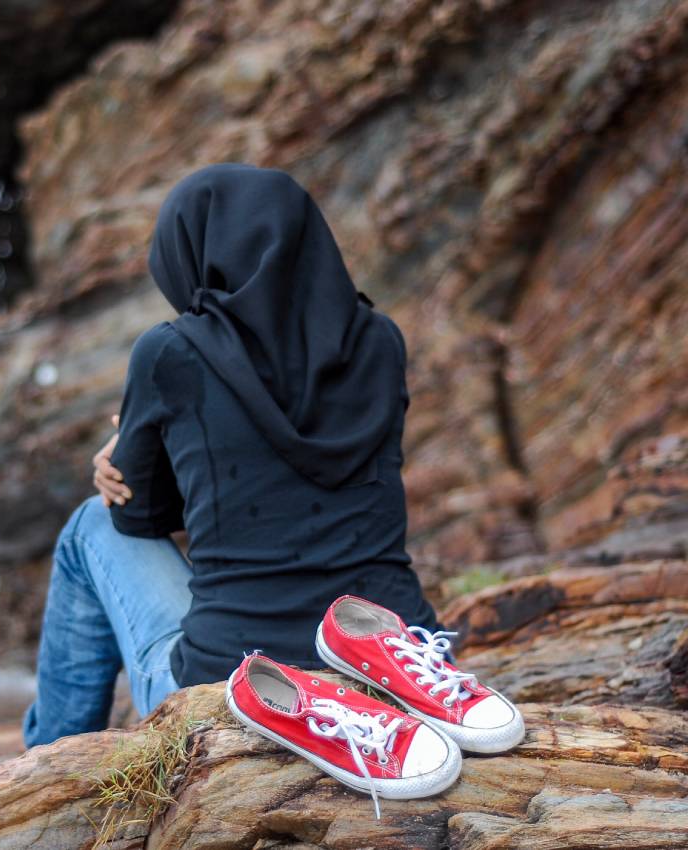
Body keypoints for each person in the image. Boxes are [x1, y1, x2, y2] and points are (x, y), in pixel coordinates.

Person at [22, 162, 444, 747]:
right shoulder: (379, 342)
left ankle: (51, 763)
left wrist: (132, 451)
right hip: (398, 670)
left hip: (242, 688)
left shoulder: (172, 355)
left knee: (89, 526)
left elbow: (136, 514)